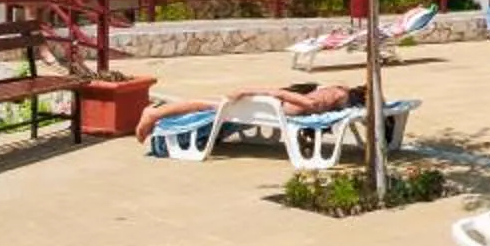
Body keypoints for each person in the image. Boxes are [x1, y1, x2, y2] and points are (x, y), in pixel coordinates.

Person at [137, 80, 362, 142]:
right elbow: (279, 94)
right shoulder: (316, 102)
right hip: (260, 106)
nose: (328, 96)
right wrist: (245, 90)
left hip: (264, 106)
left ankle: (156, 113)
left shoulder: (332, 94)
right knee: (206, 105)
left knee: (207, 105)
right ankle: (154, 114)